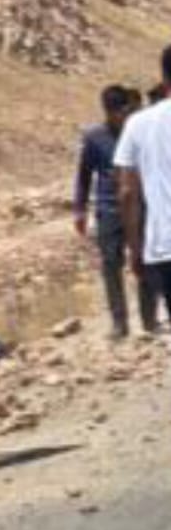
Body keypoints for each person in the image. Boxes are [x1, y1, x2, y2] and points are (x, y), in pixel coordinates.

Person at [74, 84, 147, 337]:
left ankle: (149, 319)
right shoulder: (94, 138)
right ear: (107, 111)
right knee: (110, 265)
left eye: (125, 110)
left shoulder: (137, 131)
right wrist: (79, 209)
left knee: (144, 261)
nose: (122, 116)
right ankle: (120, 323)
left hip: (138, 206)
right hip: (107, 208)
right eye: (117, 111)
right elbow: (84, 175)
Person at [116, 46, 171, 328]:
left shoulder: (138, 124)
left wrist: (135, 250)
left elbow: (127, 194)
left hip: (164, 246)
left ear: (164, 80)